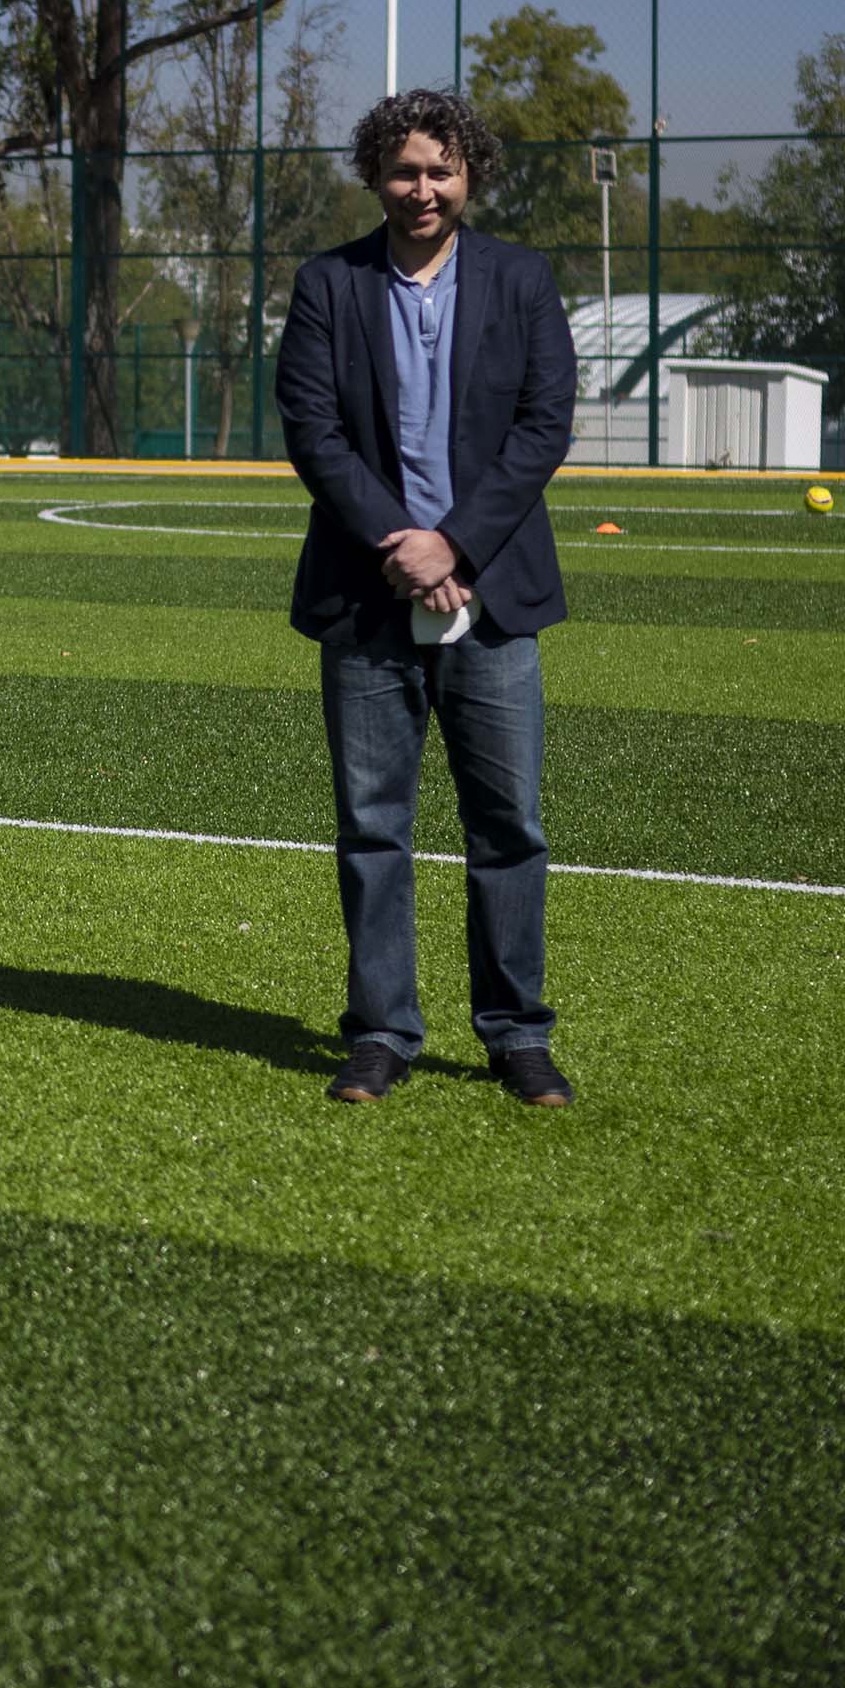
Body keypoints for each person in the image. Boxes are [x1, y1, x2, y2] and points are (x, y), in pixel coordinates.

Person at [275, 88, 582, 1109]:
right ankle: (382, 1032)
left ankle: (516, 1033)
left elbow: (543, 427)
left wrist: (455, 543)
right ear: (376, 176)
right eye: (405, 171)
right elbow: (314, 431)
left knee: (510, 827)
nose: (423, 189)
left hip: (492, 594)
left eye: (441, 171)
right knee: (372, 827)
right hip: (367, 599)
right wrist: (400, 546)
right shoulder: (329, 284)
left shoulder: (524, 281)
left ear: (470, 177)